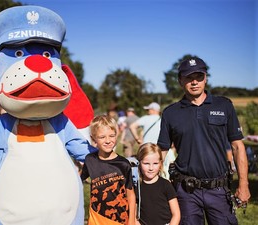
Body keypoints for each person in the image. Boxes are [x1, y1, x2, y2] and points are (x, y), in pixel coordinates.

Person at [157, 56, 251, 225]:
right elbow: (161, 152)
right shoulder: (171, 113)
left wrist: (243, 185)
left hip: (218, 190)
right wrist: (154, 186)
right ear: (180, 81)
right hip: (186, 192)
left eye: (199, 77)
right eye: (189, 78)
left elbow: (237, 146)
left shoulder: (224, 105)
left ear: (205, 78)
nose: (195, 82)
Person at [81, 115, 136, 225]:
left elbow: (131, 195)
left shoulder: (124, 164)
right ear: (93, 139)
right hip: (97, 219)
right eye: (102, 137)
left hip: (120, 219)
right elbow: (77, 181)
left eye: (112, 136)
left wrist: (131, 221)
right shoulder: (90, 160)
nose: (108, 141)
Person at [136, 143, 180, 225]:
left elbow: (176, 214)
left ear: (160, 164)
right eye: (146, 163)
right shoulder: (136, 187)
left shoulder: (166, 185)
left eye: (155, 163)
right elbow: (134, 216)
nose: (151, 168)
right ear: (139, 163)